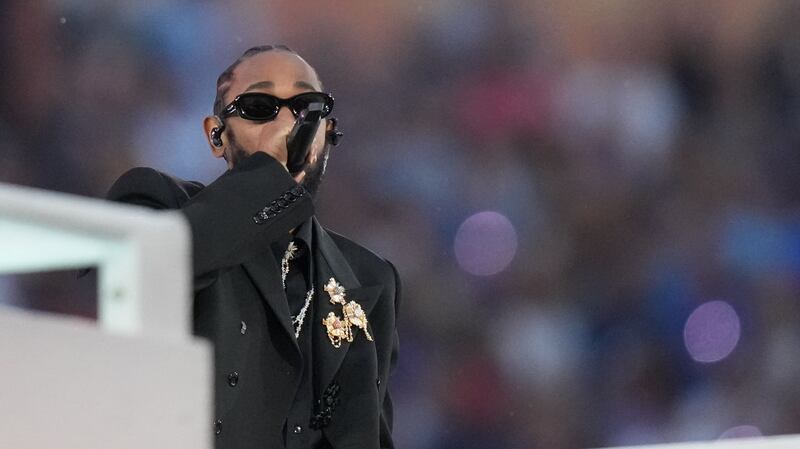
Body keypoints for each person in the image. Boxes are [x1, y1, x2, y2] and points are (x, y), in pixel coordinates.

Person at [106, 45, 400, 449]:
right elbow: (147, 273)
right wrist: (271, 175)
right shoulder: (159, 204)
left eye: (306, 108)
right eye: (260, 107)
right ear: (215, 134)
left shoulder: (369, 277)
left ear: (329, 131)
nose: (287, 123)